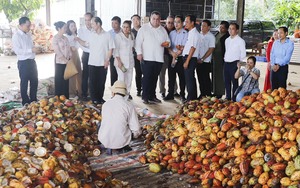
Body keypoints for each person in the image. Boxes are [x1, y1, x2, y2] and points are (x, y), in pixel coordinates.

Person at [76, 17, 115, 104]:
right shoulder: (91, 34)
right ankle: (94, 99)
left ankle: (100, 98)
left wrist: (107, 60)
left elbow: (110, 49)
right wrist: (78, 39)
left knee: (101, 82)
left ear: (98, 24)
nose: (91, 25)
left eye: (93, 23)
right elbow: (86, 44)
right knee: (92, 82)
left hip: (103, 63)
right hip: (92, 62)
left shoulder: (107, 35)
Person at [135, 11, 170, 104]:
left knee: (154, 78)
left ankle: (152, 96)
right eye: (154, 19)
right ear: (150, 18)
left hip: (158, 58)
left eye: (158, 19)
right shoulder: (144, 28)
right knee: (147, 78)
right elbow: (138, 42)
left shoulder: (162, 29)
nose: (156, 21)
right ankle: (145, 97)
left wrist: (166, 44)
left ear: (160, 20)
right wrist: (139, 53)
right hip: (146, 58)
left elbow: (168, 42)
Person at [98, 80, 141, 154]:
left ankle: (108, 141)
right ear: (124, 94)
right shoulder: (129, 105)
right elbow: (136, 128)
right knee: (136, 130)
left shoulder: (105, 104)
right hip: (121, 141)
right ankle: (122, 145)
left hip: (104, 139)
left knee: (100, 124)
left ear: (113, 93)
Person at [12, 17, 40, 105]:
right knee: (24, 82)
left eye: (30, 26)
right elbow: (18, 51)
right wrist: (31, 50)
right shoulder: (16, 36)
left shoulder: (28, 35)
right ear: (21, 25)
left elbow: (31, 47)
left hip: (32, 61)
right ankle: (25, 101)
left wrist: (35, 49)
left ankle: (33, 99)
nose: (29, 28)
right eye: (27, 26)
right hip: (23, 62)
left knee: (34, 81)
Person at [164, 15, 187, 103]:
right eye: (175, 22)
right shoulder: (171, 33)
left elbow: (184, 47)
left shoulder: (185, 33)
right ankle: (170, 94)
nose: (176, 24)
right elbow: (168, 46)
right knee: (171, 76)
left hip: (180, 58)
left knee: (182, 77)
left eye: (178, 22)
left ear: (182, 23)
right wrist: (172, 53)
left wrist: (176, 54)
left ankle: (182, 95)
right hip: (171, 56)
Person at [224, 22, 246, 101]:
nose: (230, 30)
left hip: (235, 63)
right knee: (227, 81)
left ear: (237, 30)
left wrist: (239, 63)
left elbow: (243, 54)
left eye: (232, 29)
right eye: (229, 29)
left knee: (234, 81)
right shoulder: (227, 40)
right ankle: (228, 97)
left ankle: (234, 98)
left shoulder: (240, 41)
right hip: (226, 62)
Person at [114, 20, 135, 99]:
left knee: (129, 80)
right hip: (121, 62)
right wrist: (119, 62)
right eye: (124, 27)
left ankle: (127, 96)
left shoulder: (131, 35)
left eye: (127, 27)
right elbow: (116, 50)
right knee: (122, 80)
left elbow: (133, 46)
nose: (125, 29)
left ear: (130, 28)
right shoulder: (118, 36)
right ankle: (120, 97)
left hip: (130, 61)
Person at [182, 14, 201, 101]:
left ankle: (191, 99)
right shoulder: (190, 33)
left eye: (187, 22)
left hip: (190, 58)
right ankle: (191, 97)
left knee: (190, 79)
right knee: (189, 78)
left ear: (192, 23)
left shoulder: (194, 33)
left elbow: (193, 48)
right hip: (188, 57)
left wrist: (187, 61)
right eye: (185, 21)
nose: (185, 23)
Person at [52, 21, 72, 99]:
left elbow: (69, 48)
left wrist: (70, 57)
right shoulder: (55, 38)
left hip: (67, 61)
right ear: (59, 28)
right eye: (64, 27)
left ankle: (65, 97)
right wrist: (64, 60)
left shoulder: (65, 38)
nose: (66, 29)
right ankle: (58, 97)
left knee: (66, 78)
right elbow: (57, 51)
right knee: (59, 78)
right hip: (59, 61)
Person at [196, 19, 215, 98]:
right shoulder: (198, 35)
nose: (202, 27)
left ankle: (209, 94)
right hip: (197, 60)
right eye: (201, 25)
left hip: (206, 61)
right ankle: (202, 93)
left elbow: (211, 49)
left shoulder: (211, 37)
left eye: (204, 26)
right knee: (200, 78)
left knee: (206, 78)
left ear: (208, 27)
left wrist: (202, 59)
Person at [212, 21, 230, 98]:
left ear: (226, 29)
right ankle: (214, 91)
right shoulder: (216, 34)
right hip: (214, 57)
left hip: (221, 58)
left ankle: (220, 92)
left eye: (223, 28)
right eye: (220, 27)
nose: (221, 29)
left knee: (220, 76)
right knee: (214, 75)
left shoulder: (227, 37)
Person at [78, 12, 93, 100]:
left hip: (95, 54)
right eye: (86, 20)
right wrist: (87, 44)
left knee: (93, 75)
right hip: (86, 54)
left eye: (89, 20)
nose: (88, 22)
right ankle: (84, 93)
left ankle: (92, 93)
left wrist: (86, 43)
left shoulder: (95, 29)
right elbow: (81, 44)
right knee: (85, 74)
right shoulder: (81, 30)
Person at [159, 15, 175, 98]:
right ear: (166, 22)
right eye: (169, 22)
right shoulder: (162, 30)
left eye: (172, 23)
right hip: (164, 55)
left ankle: (174, 91)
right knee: (162, 74)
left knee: (172, 73)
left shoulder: (176, 31)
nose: (171, 24)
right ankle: (162, 91)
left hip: (174, 56)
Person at [66, 20, 82, 97]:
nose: (74, 27)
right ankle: (71, 93)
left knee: (79, 71)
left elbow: (77, 47)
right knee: (72, 73)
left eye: (74, 26)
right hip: (71, 55)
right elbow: (70, 48)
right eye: (71, 26)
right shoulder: (67, 36)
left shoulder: (75, 35)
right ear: (68, 27)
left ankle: (80, 91)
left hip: (76, 54)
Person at [131, 14, 142, 97]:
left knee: (146, 73)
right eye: (134, 20)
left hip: (145, 55)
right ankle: (139, 90)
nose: (135, 21)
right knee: (138, 73)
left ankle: (145, 89)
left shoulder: (144, 30)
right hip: (135, 56)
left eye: (137, 19)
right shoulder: (130, 32)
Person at [109, 16, 121, 86]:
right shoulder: (109, 33)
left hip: (122, 56)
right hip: (112, 56)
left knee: (123, 74)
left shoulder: (123, 32)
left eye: (115, 23)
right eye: (112, 23)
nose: (113, 25)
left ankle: (124, 92)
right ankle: (114, 92)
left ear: (119, 24)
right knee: (113, 74)